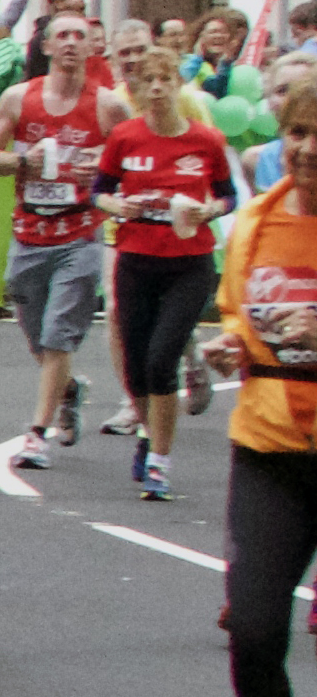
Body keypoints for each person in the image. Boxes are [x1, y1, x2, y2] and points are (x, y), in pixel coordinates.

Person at [201, 85, 317, 697]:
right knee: (253, 627)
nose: (307, 148)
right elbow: (242, 318)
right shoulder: (255, 222)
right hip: (271, 448)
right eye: (298, 131)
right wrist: (229, 346)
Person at [0, 10, 128, 468]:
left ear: (91, 48)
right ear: (44, 46)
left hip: (80, 235)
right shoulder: (19, 98)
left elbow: (135, 159)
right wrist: (24, 162)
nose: (69, 43)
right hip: (29, 234)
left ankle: (36, 434)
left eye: (79, 36)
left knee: (59, 334)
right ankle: (67, 389)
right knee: (37, 336)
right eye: (60, 35)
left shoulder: (108, 106)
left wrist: (101, 165)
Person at [95, 48, 236, 500]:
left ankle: (160, 462)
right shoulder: (125, 137)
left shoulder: (206, 140)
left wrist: (209, 210)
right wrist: (118, 206)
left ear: (178, 85)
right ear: (136, 90)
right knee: (136, 368)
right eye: (146, 80)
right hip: (135, 258)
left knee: (162, 359)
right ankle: (146, 430)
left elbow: (228, 196)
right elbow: (99, 191)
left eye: (164, 79)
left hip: (189, 264)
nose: (155, 88)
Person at [243, 53, 317, 195]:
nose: (291, 99)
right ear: (269, 100)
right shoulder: (254, 160)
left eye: (300, 89)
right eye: (282, 90)